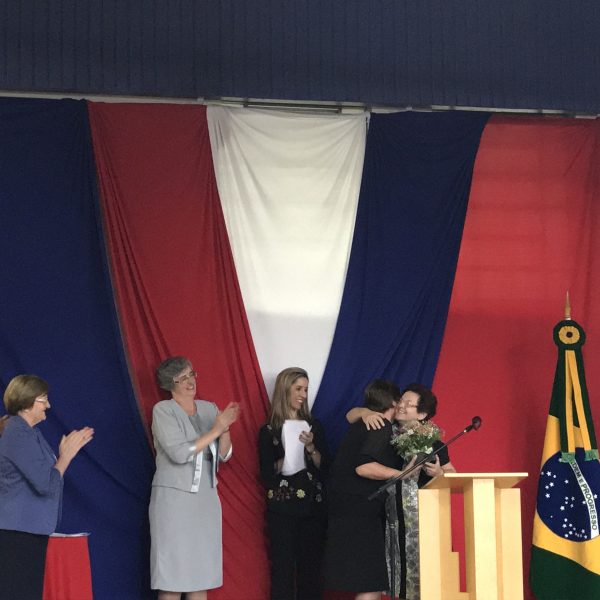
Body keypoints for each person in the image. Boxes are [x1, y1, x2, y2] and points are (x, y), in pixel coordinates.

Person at [347, 383, 456, 600]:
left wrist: (438, 473)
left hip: (421, 523)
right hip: (385, 519)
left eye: (409, 403)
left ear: (422, 414)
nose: (401, 406)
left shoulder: (433, 443)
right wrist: (366, 413)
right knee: (380, 579)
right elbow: (350, 415)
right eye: (401, 400)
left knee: (424, 580)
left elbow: (453, 474)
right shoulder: (385, 432)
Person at [149, 356, 239, 600]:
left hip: (205, 499)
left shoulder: (209, 408)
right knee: (172, 578)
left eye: (191, 374)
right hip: (174, 501)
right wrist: (216, 429)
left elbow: (224, 455)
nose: (190, 382)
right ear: (170, 384)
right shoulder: (163, 410)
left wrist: (225, 429)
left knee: (201, 576)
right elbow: (180, 454)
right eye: (182, 378)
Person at [0, 374, 94, 599]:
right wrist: (66, 456)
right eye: (43, 399)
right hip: (17, 532)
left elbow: (46, 477)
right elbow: (45, 484)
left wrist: (61, 459)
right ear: (26, 402)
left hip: (27, 529)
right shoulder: (18, 433)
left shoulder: (30, 432)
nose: (48, 405)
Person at [324, 379, 417, 600]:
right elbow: (364, 467)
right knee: (371, 582)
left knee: (369, 580)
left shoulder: (363, 421)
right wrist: (401, 474)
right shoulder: (381, 426)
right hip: (359, 511)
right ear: (393, 402)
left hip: (344, 508)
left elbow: (350, 415)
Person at [258, 367, 329, 600]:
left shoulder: (314, 426)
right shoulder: (269, 431)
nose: (303, 395)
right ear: (284, 389)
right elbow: (266, 473)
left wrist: (310, 447)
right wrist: (288, 454)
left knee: (311, 569)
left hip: (312, 507)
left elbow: (324, 467)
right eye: (298, 389)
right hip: (282, 508)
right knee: (283, 568)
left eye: (306, 389)